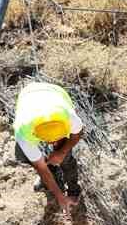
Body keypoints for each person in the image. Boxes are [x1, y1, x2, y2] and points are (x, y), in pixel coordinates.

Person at [13, 81, 86, 211]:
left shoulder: (69, 118)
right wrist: (59, 196)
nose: (53, 143)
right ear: (35, 134)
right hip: (28, 95)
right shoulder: (23, 132)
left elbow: (78, 133)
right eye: (49, 141)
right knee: (23, 155)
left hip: (54, 93)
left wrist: (62, 152)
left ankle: (74, 190)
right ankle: (50, 173)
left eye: (56, 138)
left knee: (66, 158)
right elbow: (40, 167)